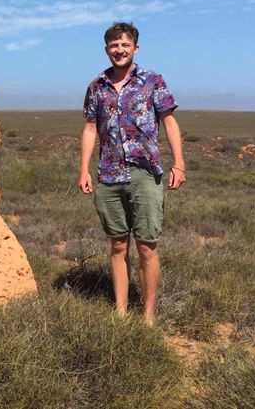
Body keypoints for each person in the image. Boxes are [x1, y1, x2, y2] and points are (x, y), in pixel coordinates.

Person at [78, 22, 185, 326]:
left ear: (135, 48)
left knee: (147, 246)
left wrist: (180, 163)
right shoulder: (97, 86)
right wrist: (83, 169)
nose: (119, 50)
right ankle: (121, 312)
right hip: (109, 175)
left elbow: (169, 122)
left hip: (145, 173)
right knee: (117, 245)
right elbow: (89, 129)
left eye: (125, 45)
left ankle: (148, 315)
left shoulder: (152, 81)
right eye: (114, 45)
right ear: (107, 49)